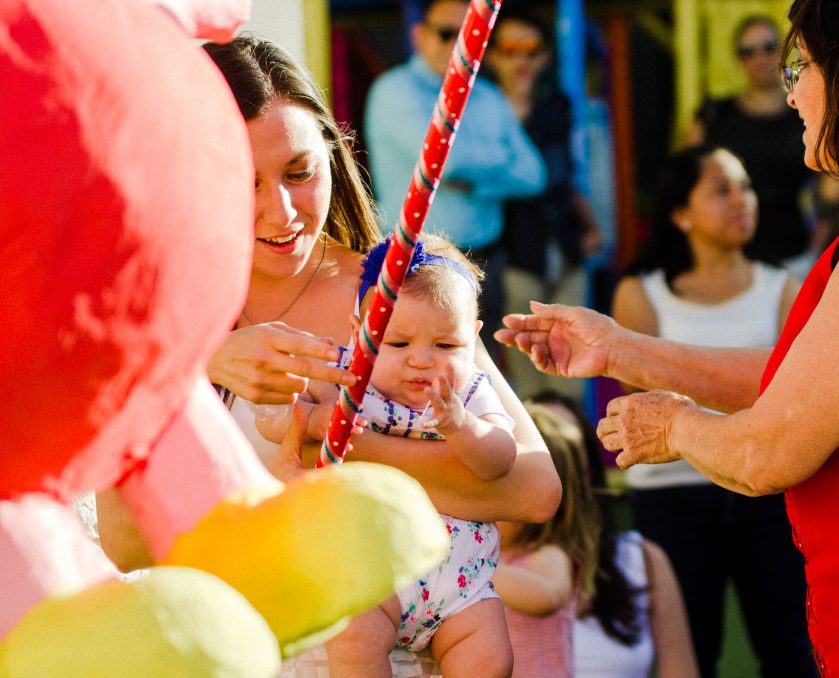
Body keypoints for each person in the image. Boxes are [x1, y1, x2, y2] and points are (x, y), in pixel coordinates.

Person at [498, 0, 839, 674]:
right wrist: (623, 349)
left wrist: (675, 428)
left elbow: (771, 449)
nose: (792, 91)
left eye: (800, 65)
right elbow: (811, 381)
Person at [97, 32, 561, 678]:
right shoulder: (161, 324)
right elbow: (127, 544)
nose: (279, 210)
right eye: (243, 180)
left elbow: (535, 492)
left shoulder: (400, 297)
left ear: (333, 159)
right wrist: (189, 369)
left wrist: (341, 443)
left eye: (299, 172)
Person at [610, 146, 813, 678]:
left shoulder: (784, 289)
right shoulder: (639, 295)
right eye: (720, 189)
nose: (741, 200)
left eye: (744, 186)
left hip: (767, 492)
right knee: (687, 655)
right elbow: (639, 408)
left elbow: (797, 399)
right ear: (680, 213)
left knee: (791, 647)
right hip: (670, 499)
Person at [275, 236, 515, 677]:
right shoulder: (347, 379)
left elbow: (500, 461)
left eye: (446, 346)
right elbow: (276, 423)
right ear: (358, 333)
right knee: (353, 638)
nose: (421, 362)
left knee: (490, 657)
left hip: (461, 589)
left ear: (473, 338)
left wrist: (462, 427)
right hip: (374, 573)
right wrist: (313, 420)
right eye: (398, 344)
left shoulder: (472, 392)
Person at [364, 0, 548, 365]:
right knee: (418, 378)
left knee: (490, 374)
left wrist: (476, 183)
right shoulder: (393, 90)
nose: (458, 43)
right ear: (419, 36)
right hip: (416, 265)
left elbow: (532, 175)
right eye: (447, 33)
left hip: (487, 260)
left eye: (469, 34)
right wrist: (496, 157)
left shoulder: (489, 95)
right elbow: (447, 162)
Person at [526, 391, 699, 678]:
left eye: (565, 451)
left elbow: (682, 671)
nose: (555, 468)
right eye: (539, 449)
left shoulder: (642, 560)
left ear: (588, 472)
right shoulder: (483, 567)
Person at [486, 7, 603, 400]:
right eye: (510, 48)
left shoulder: (557, 107)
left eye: (531, 49)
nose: (521, 58)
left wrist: (591, 227)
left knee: (572, 375)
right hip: (514, 257)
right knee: (529, 381)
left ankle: (573, 457)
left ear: (545, 57)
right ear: (492, 55)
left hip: (565, 251)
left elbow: (559, 179)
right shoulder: (481, 112)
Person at [687, 15, 816, 273]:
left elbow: (829, 186)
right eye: (748, 51)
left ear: (781, 50)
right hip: (729, 257)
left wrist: (816, 249)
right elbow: (688, 180)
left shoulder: (803, 111)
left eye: (768, 47)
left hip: (793, 254)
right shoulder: (716, 114)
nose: (760, 58)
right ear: (738, 59)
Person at [491, 402, 600, 678]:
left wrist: (468, 570)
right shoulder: (481, 553)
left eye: (499, 492)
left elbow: (546, 595)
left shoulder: (548, 554)